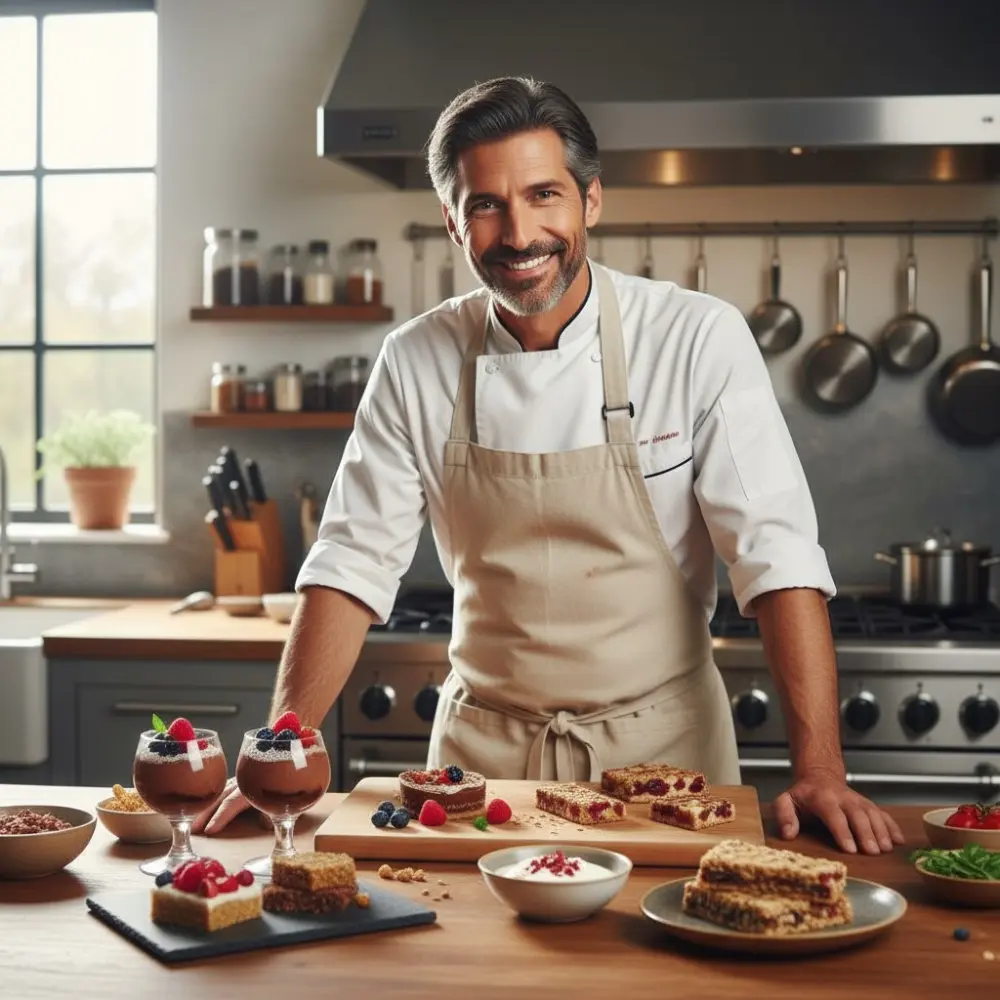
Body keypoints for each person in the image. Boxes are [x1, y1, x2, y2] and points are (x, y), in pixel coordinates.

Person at [197, 76, 903, 855]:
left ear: (591, 201)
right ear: (451, 220)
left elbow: (777, 556)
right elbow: (351, 564)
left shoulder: (696, 337)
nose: (519, 233)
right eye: (486, 205)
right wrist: (278, 752)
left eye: (544, 196)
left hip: (667, 767)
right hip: (478, 776)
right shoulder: (416, 359)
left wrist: (821, 768)